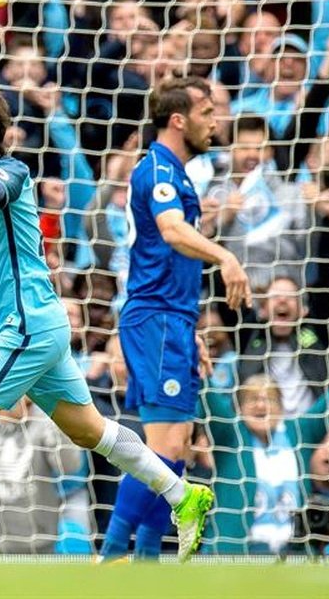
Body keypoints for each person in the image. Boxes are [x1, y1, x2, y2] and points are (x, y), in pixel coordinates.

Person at [0, 81, 213, 564]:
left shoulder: (11, 172)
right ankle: (181, 495)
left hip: (28, 326)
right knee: (92, 432)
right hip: (37, 326)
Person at [100, 76, 250, 561]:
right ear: (179, 119)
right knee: (162, 450)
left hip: (173, 320)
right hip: (156, 319)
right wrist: (225, 258)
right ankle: (109, 559)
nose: (216, 120)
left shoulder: (181, 174)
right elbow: (170, 230)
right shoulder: (158, 170)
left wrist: (190, 328)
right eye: (208, 111)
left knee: (177, 448)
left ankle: (144, 565)